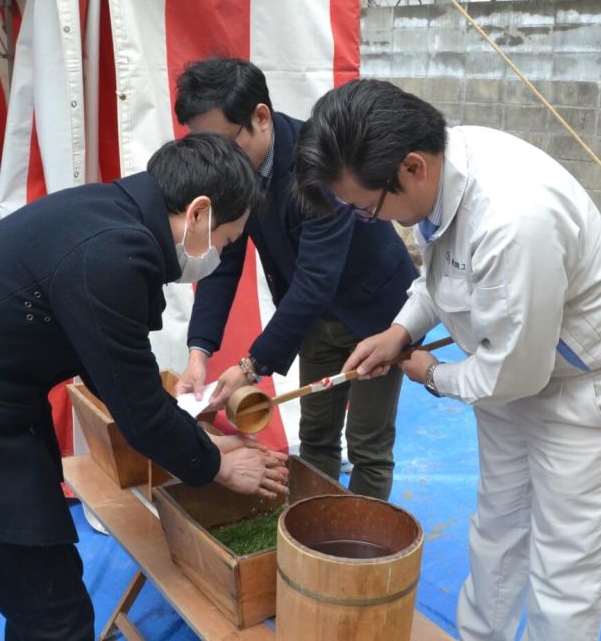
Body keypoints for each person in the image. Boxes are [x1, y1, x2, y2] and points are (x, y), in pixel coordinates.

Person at [0, 134, 289, 641]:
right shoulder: (112, 253)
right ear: (199, 213)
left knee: (43, 603)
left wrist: (199, 440)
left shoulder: (107, 213)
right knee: (56, 616)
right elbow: (135, 408)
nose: (218, 257)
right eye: (225, 242)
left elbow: (116, 375)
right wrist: (215, 464)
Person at [296, 79, 601, 640]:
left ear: (411, 167)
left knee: (565, 566)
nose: (367, 219)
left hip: (589, 388)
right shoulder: (442, 173)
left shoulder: (513, 218)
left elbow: (516, 371)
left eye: (366, 209)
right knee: (497, 527)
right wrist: (400, 331)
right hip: (508, 370)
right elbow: (443, 274)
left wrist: (434, 376)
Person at [170, 58, 418, 501]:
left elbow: (316, 279)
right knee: (316, 432)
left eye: (225, 143)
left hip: (377, 314)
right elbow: (222, 261)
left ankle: (363, 553)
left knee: (368, 445)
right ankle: (311, 524)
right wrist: (198, 352)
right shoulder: (234, 171)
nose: (218, 159)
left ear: (260, 117)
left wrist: (251, 366)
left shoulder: (319, 161)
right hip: (314, 319)